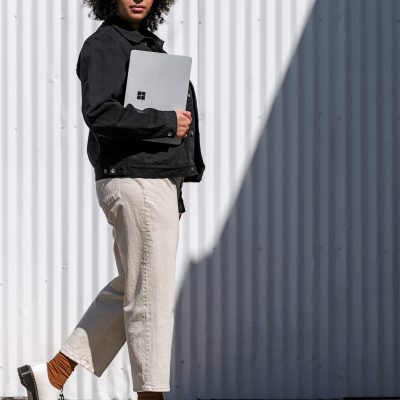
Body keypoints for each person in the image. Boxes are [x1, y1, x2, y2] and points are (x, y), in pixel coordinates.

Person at [17, 0, 205, 399]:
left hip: (154, 181)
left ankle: (53, 374)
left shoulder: (147, 44)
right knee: (150, 299)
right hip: (135, 180)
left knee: (135, 286)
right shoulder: (104, 44)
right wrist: (166, 120)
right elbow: (100, 113)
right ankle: (150, 396)